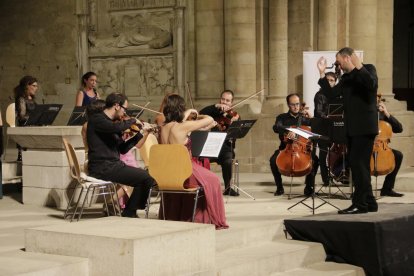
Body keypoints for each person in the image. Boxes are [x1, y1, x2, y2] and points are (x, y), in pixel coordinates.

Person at [317, 47, 379, 214]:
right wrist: (322, 74)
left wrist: (359, 66)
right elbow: (330, 95)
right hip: (352, 127)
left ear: (346, 58)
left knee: (358, 165)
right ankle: (370, 202)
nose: (338, 65)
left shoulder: (368, 69)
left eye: (339, 61)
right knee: (360, 166)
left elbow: (372, 85)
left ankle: (360, 204)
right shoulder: (345, 78)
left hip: (365, 127)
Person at [159, 94, 228, 229]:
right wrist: (193, 113)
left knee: (208, 179)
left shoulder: (163, 127)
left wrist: (185, 117)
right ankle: (202, 218)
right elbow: (209, 119)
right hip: (185, 172)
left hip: (168, 173)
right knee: (213, 180)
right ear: (181, 109)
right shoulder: (182, 127)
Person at [86, 92, 154, 218]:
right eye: (125, 109)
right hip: (102, 167)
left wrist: (140, 133)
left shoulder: (112, 124)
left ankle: (130, 211)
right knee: (145, 178)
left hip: (113, 166)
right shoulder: (97, 119)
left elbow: (122, 149)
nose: (125, 113)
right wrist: (134, 120)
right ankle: (129, 213)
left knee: (146, 179)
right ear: (117, 106)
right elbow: (114, 127)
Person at [269, 93, 318, 196]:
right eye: (293, 104)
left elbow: (317, 128)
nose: (296, 107)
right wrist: (287, 132)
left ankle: (309, 188)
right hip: (285, 148)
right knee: (273, 160)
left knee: (315, 160)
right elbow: (276, 127)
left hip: (302, 149)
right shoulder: (282, 117)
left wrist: (312, 119)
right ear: (288, 105)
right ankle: (279, 188)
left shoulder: (304, 119)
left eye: (297, 104)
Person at [199, 90, 240, 196]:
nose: (225, 102)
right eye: (223, 99)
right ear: (220, 99)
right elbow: (200, 113)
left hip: (226, 148)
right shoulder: (213, 112)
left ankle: (227, 187)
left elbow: (237, 134)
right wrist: (215, 106)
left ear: (231, 103)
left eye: (228, 100)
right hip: (212, 147)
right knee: (202, 159)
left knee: (227, 161)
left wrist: (235, 123)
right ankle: (203, 186)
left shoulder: (235, 116)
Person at [314, 72, 338, 186]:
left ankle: (337, 174)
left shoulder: (336, 95)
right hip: (322, 127)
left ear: (335, 82)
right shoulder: (319, 95)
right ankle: (326, 179)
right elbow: (319, 112)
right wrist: (328, 117)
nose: (329, 82)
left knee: (335, 153)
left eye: (332, 80)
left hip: (334, 127)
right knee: (323, 154)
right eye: (327, 80)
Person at [377, 99, 404, 197]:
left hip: (380, 147)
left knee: (398, 155)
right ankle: (359, 190)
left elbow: (399, 128)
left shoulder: (382, 115)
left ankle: (387, 188)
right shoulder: (363, 112)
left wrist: (386, 113)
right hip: (365, 146)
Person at [14, 76, 39, 161]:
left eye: (37, 86)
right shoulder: (21, 98)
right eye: (34, 86)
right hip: (25, 127)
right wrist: (34, 118)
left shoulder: (32, 98)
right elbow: (22, 116)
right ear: (27, 86)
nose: (36, 88)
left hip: (33, 125)